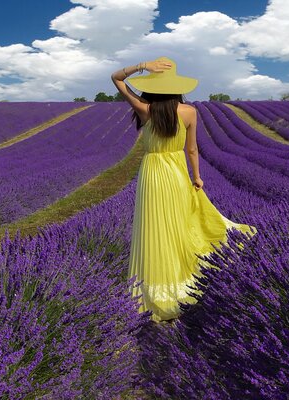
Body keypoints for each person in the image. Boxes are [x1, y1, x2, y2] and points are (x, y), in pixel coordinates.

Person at [111, 56, 257, 324]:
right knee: (179, 225)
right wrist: (197, 177)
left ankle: (154, 289)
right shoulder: (189, 112)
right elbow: (191, 149)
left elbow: (116, 78)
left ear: (153, 86)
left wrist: (142, 66)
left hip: (153, 175)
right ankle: (181, 283)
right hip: (177, 173)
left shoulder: (145, 109)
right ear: (177, 86)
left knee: (154, 228)